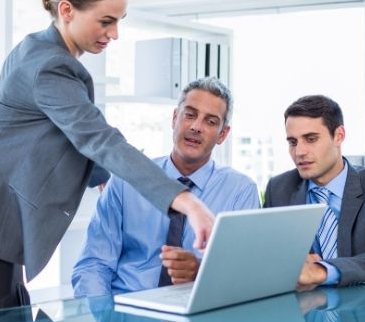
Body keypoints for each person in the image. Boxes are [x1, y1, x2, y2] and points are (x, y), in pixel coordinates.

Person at [0, 0, 213, 318]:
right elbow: (99, 139)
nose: (114, 34)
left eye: (119, 22)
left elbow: (65, 138)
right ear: (67, 9)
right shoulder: (49, 66)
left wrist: (103, 176)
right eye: (105, 22)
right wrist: (187, 201)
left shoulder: (47, 53)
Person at [71, 77, 259, 297]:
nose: (196, 127)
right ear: (174, 118)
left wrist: (200, 272)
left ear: (223, 135)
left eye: (210, 121)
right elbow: (94, 265)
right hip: (128, 313)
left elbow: (244, 275)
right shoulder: (126, 181)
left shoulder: (240, 191)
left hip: (198, 317)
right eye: (189, 114)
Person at [263, 95, 365, 290]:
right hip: (307, 312)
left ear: (339, 136)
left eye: (311, 139)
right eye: (293, 142)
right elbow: (270, 261)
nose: (299, 152)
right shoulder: (279, 189)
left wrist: (320, 271)